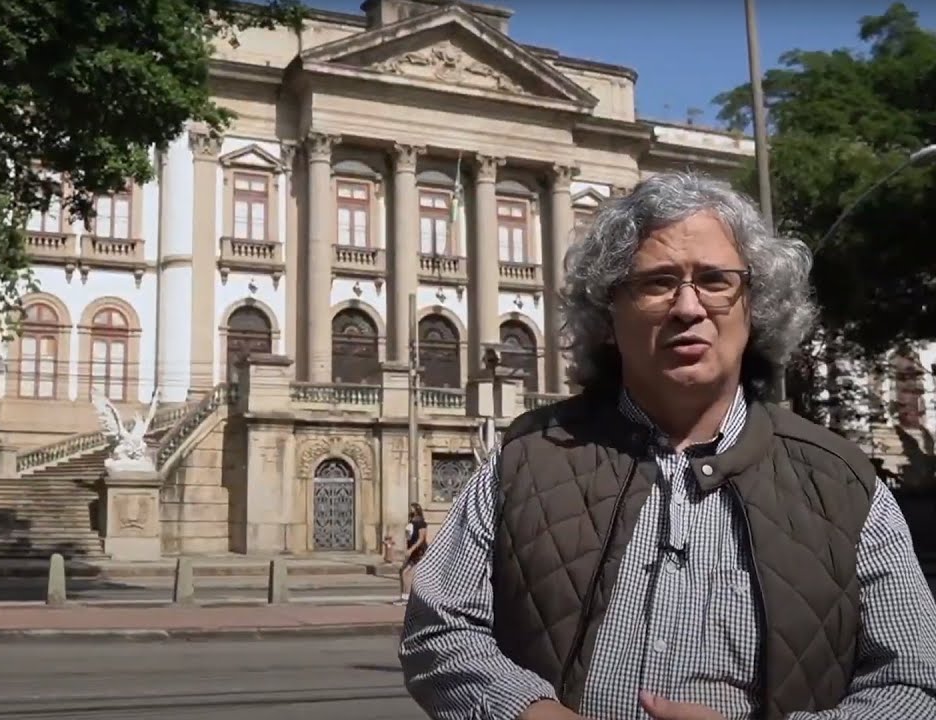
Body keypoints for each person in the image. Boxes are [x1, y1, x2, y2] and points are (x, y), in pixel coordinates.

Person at [399, 172, 936, 720]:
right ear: (609, 316)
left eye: (715, 280)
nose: (687, 307)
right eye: (657, 282)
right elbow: (438, 629)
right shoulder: (526, 457)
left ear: (755, 307)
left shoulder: (842, 481)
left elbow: (915, 683)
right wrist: (529, 713)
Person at [398, 502, 429, 604]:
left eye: (412, 508)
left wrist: (411, 549)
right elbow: (409, 537)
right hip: (412, 551)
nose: (410, 510)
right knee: (403, 572)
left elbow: (421, 538)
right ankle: (405, 596)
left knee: (407, 573)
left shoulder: (420, 522)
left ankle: (407, 598)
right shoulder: (411, 521)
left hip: (419, 551)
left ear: (416, 509)